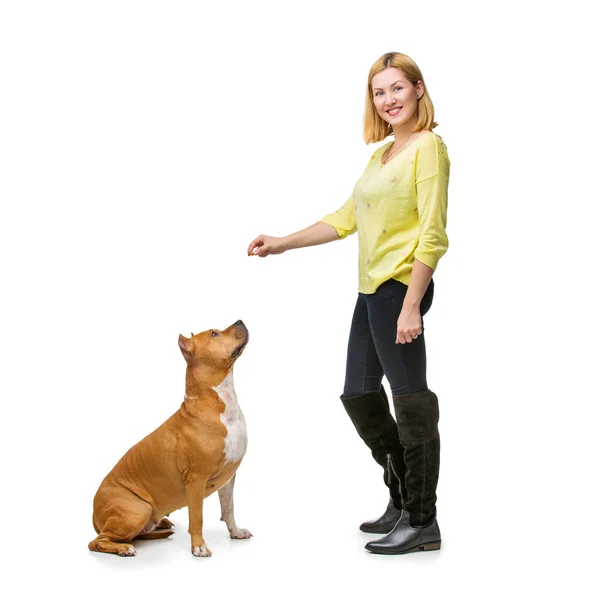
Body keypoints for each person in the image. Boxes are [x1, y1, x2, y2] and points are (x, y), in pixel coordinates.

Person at [247, 52, 450, 555]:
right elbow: (345, 218)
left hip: (401, 288)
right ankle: (402, 498)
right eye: (379, 92)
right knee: (358, 393)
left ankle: (423, 521)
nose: (388, 100)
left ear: (419, 90)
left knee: (411, 401)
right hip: (369, 291)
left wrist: (411, 306)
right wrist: (283, 241)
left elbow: (433, 233)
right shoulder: (380, 156)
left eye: (398, 89)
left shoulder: (428, 148)